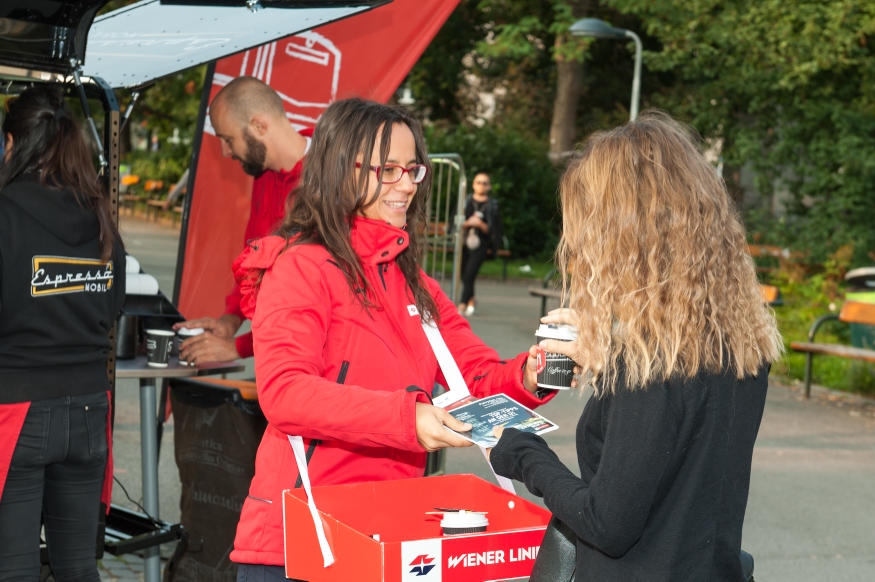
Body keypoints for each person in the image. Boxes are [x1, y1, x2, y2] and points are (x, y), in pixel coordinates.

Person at [228, 98, 555, 579]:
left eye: (413, 169)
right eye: (389, 170)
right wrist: (407, 418)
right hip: (301, 541)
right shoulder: (302, 266)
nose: (406, 184)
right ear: (342, 169)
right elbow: (285, 392)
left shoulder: (411, 278)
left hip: (388, 535)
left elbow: (475, 376)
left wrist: (533, 372)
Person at [489, 113, 783, 581]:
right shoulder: (740, 343)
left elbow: (609, 525)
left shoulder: (648, 369)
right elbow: (681, 458)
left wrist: (525, 455)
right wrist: (610, 360)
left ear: (622, 236)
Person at [0, 86, 125, 580]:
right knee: (77, 564)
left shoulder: (5, 213)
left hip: (18, 410)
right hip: (91, 410)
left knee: (13, 567)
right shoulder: (99, 217)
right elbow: (113, 306)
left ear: (14, 144)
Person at [174, 76, 312, 365]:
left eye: (228, 139)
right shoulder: (264, 176)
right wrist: (229, 321)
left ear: (259, 126)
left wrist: (238, 347)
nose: (225, 152)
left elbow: (311, 303)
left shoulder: (327, 180)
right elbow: (253, 266)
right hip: (282, 362)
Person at [458, 171, 501, 316]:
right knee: (464, 275)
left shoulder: (492, 205)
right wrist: (468, 223)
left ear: (489, 186)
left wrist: (481, 225)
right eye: (478, 182)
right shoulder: (466, 201)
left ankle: (462, 305)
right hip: (464, 243)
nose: (481, 185)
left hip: (481, 244)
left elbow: (495, 229)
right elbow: (455, 221)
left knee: (470, 274)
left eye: (485, 183)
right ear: (473, 184)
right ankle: (472, 300)